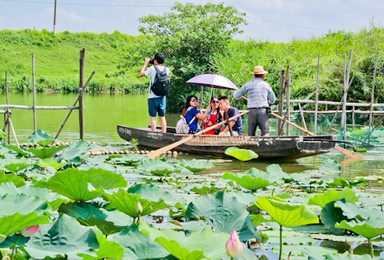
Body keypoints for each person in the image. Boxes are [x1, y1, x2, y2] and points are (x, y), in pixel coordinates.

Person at [233, 65, 276, 136]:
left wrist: (235, 93)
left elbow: (236, 96)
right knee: (265, 133)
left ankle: (251, 147)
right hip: (263, 111)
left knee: (251, 134)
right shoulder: (266, 85)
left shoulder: (248, 85)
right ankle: (265, 146)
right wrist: (269, 102)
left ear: (255, 75)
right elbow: (273, 99)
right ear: (262, 75)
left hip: (251, 111)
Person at [139, 53, 170, 133]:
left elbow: (141, 74)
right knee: (162, 117)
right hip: (162, 97)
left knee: (153, 117)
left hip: (153, 96)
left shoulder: (152, 68)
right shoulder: (167, 69)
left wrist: (146, 64)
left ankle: (154, 134)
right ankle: (164, 133)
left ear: (155, 60)